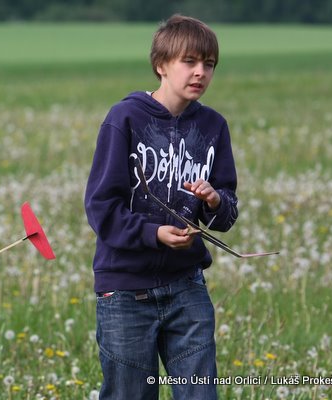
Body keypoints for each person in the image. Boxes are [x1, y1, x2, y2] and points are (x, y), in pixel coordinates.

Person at [84, 15, 238, 400]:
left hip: (187, 286)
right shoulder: (125, 118)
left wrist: (214, 200)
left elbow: (227, 213)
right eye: (189, 61)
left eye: (209, 64)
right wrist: (153, 234)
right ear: (161, 65)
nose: (200, 72)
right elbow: (101, 207)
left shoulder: (214, 127)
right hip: (125, 291)